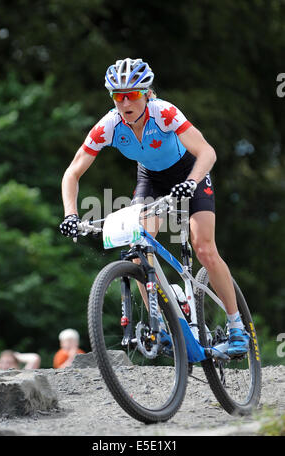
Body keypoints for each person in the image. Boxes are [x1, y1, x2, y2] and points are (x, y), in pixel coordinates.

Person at [59, 58, 250, 357]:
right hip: (151, 178)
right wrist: (70, 214)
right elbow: (72, 173)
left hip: (191, 173)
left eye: (132, 94)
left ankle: (237, 326)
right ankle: (160, 324)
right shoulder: (108, 126)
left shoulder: (164, 112)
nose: (125, 102)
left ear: (147, 93)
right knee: (139, 251)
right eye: (117, 95)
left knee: (204, 248)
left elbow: (207, 152)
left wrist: (191, 182)